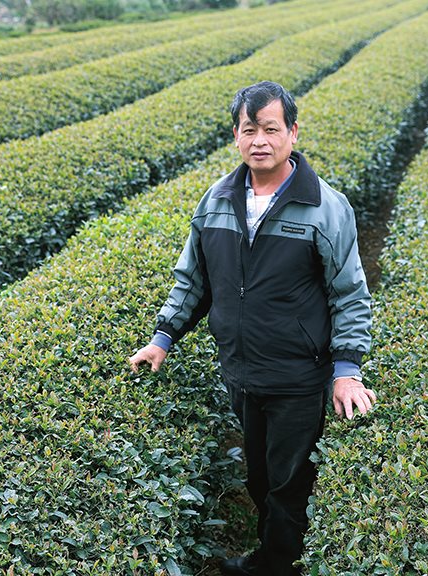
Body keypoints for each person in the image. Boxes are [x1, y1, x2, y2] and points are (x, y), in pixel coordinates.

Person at [128, 81, 376, 576]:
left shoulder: (325, 207)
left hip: (298, 376)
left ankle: (277, 565)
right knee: (260, 477)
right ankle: (272, 553)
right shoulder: (216, 200)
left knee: (290, 483)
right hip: (240, 371)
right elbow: (193, 279)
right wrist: (163, 338)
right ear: (236, 137)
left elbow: (348, 293)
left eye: (270, 128)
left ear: (292, 133)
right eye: (249, 130)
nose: (259, 140)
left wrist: (347, 370)